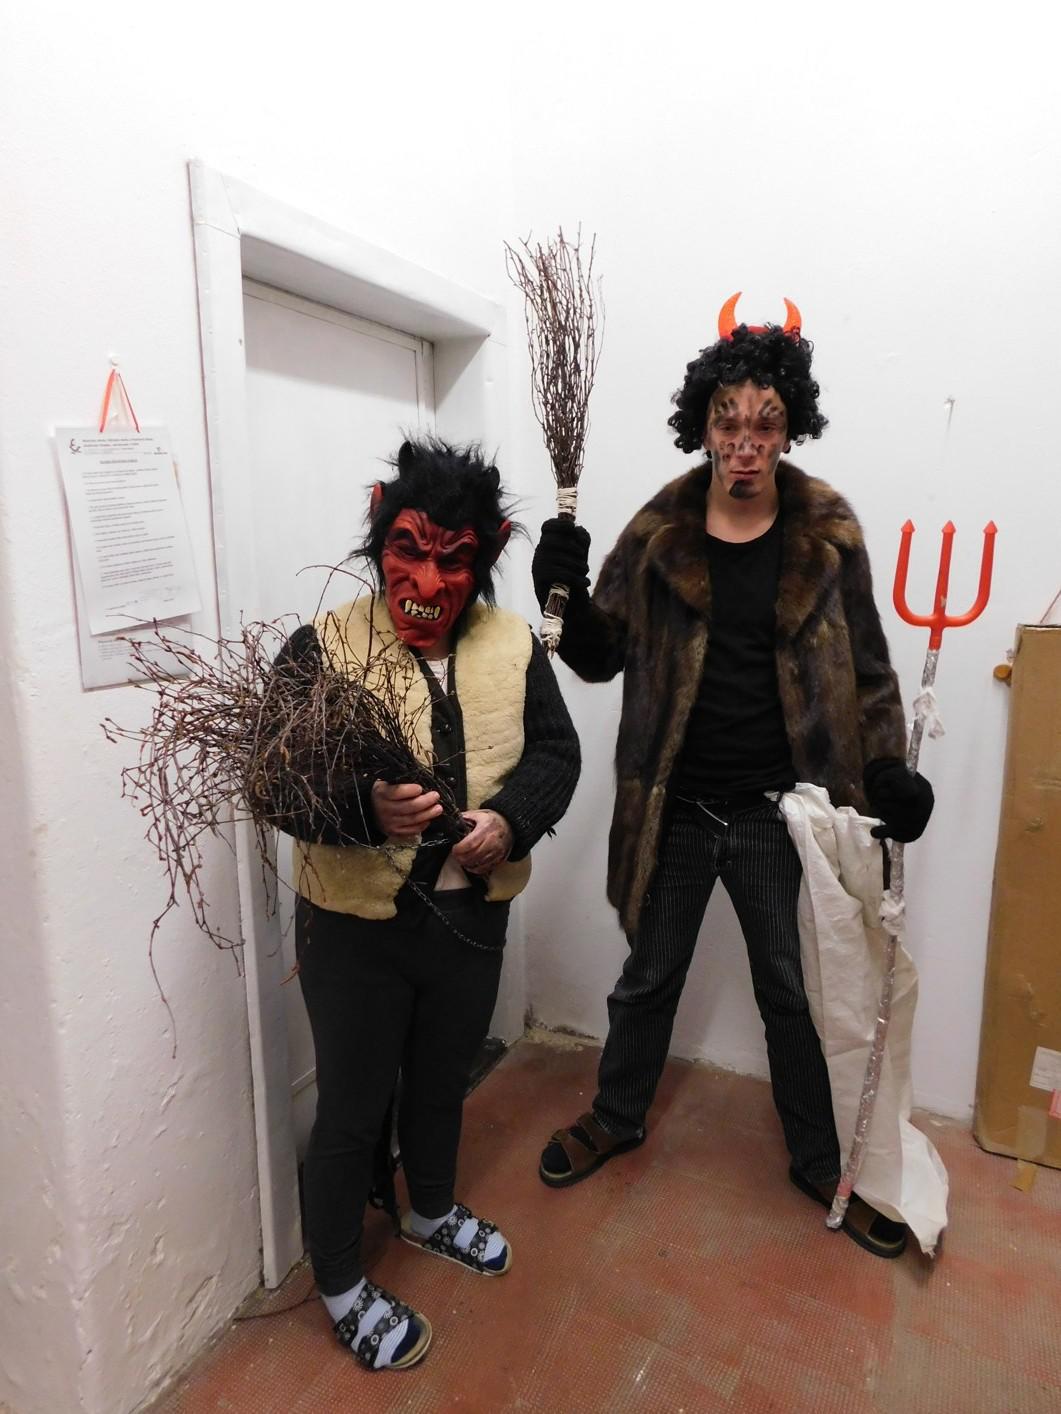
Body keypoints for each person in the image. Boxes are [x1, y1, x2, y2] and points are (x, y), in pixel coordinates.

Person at [530, 299, 933, 1259]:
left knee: (792, 991)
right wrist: (562, 594)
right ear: (701, 425)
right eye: (727, 421)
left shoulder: (827, 532)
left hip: (774, 811)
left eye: (764, 423)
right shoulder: (659, 531)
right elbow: (600, 656)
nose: (744, 444)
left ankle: (818, 1159)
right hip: (674, 804)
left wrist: (885, 769)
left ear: (789, 428)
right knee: (647, 977)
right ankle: (616, 1115)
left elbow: (870, 670)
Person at [269, 437, 580, 1371]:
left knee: (443, 1079)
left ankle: (431, 1209)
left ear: (487, 556)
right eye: (409, 549)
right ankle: (338, 1279)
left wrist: (510, 821)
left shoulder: (513, 646)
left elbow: (556, 755)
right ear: (379, 535)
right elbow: (270, 780)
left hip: (470, 920)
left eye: (455, 559)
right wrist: (359, 811)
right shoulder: (321, 648)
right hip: (353, 931)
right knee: (352, 1108)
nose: (429, 580)